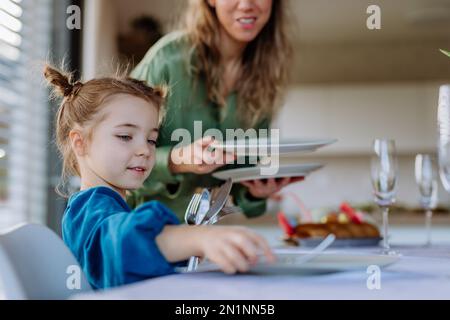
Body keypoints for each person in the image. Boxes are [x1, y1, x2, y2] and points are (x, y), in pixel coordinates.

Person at [44, 65, 274, 289]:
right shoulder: (89, 209)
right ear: (80, 142)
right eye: (125, 136)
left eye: (151, 139)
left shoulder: (110, 206)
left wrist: (190, 251)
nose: (145, 150)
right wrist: (197, 238)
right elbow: (124, 243)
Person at [129, 0, 302, 221]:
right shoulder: (168, 59)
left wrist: (255, 191)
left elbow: (242, 182)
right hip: (144, 232)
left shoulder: (265, 77)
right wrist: (176, 160)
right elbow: (119, 159)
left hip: (208, 240)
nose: (247, 4)